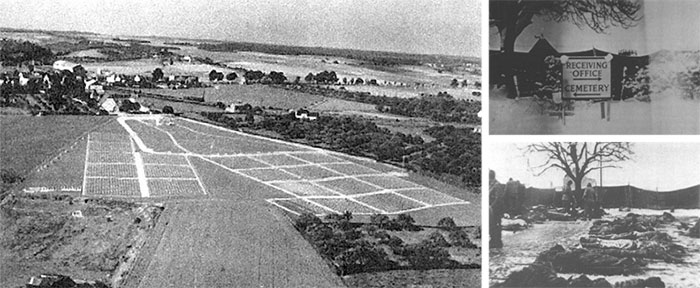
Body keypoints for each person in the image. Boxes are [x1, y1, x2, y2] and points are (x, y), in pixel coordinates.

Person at [489, 171, 505, 248]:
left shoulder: (497, 185)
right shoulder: (491, 185)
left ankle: (497, 242)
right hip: (492, 209)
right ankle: (493, 240)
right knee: (492, 225)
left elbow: (498, 198)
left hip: (496, 209)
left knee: (496, 225)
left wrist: (491, 206)